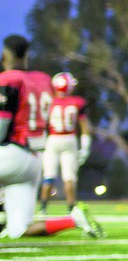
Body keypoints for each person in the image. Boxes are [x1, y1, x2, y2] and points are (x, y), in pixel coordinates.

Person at [0, 34, 102, 238]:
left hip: (11, 153)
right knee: (19, 230)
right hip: (33, 160)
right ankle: (73, 219)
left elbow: (2, 124)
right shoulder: (43, 80)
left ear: (6, 55)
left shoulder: (8, 79)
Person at [39, 72, 91, 214]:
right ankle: (70, 208)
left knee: (48, 175)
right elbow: (85, 126)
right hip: (69, 139)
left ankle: (43, 208)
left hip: (53, 139)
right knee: (69, 177)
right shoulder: (77, 102)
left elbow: (42, 123)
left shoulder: (49, 102)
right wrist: (85, 148)